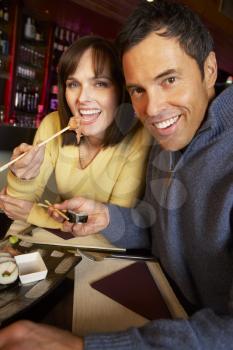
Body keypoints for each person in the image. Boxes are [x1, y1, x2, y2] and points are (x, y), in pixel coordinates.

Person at [0, 0, 233, 349]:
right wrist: (108, 216)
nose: (152, 110)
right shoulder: (164, 137)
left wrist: (85, 347)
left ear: (210, 68)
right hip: (157, 298)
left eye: (169, 79)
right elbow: (154, 227)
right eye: (138, 89)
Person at [0, 35, 151, 232]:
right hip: (58, 244)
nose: (82, 98)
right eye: (73, 84)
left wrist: (34, 214)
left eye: (100, 83)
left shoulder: (140, 137)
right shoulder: (52, 124)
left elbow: (113, 229)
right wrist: (22, 176)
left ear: (121, 90)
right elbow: (14, 208)